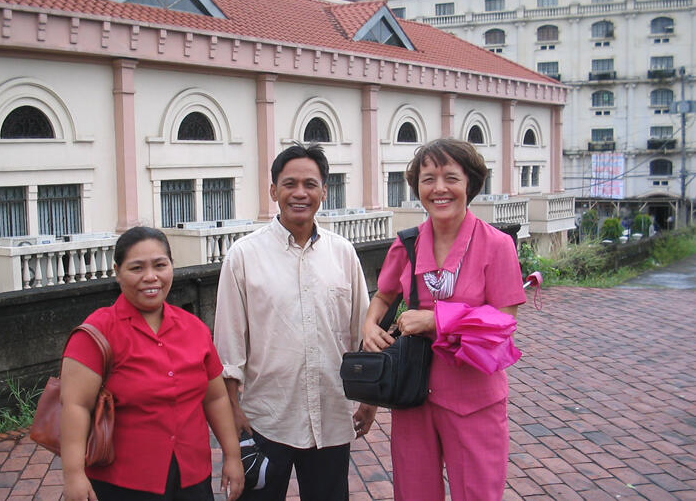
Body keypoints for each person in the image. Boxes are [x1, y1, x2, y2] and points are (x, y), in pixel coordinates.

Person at [362, 138, 526, 501]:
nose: (438, 189)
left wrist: (436, 321)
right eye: (427, 179)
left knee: (477, 493)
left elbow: (504, 321)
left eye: (450, 177)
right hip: (413, 392)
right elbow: (384, 294)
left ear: (470, 183)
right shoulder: (407, 243)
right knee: (414, 492)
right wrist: (369, 325)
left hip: (475, 398)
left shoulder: (497, 246)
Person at [214, 143, 376, 501]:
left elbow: (362, 332)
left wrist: (370, 400)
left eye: (309, 184)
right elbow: (228, 342)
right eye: (289, 184)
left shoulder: (343, 253)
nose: (299, 193)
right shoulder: (244, 255)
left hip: (331, 416)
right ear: (274, 191)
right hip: (265, 418)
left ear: (323, 191)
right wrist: (233, 410)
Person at [60, 226, 244, 501]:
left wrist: (232, 456)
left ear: (171, 267)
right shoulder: (97, 332)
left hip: (192, 476)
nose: (151, 277)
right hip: (124, 481)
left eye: (160, 265)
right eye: (136, 268)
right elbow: (75, 406)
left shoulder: (193, 328)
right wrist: (73, 473)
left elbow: (215, 399)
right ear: (117, 272)